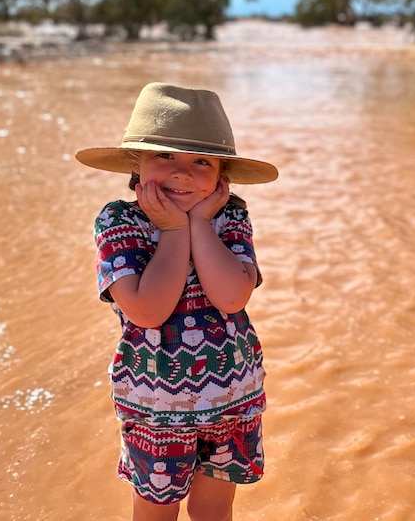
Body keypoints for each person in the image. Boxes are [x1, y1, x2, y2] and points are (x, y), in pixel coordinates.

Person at [75, 82, 278, 521]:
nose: (182, 173)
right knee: (155, 513)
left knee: (213, 511)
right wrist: (171, 231)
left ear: (221, 174)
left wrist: (200, 224)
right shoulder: (119, 222)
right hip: (156, 406)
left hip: (232, 398)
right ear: (137, 162)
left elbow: (231, 296)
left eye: (201, 161)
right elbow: (149, 310)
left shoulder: (230, 218)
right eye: (165, 155)